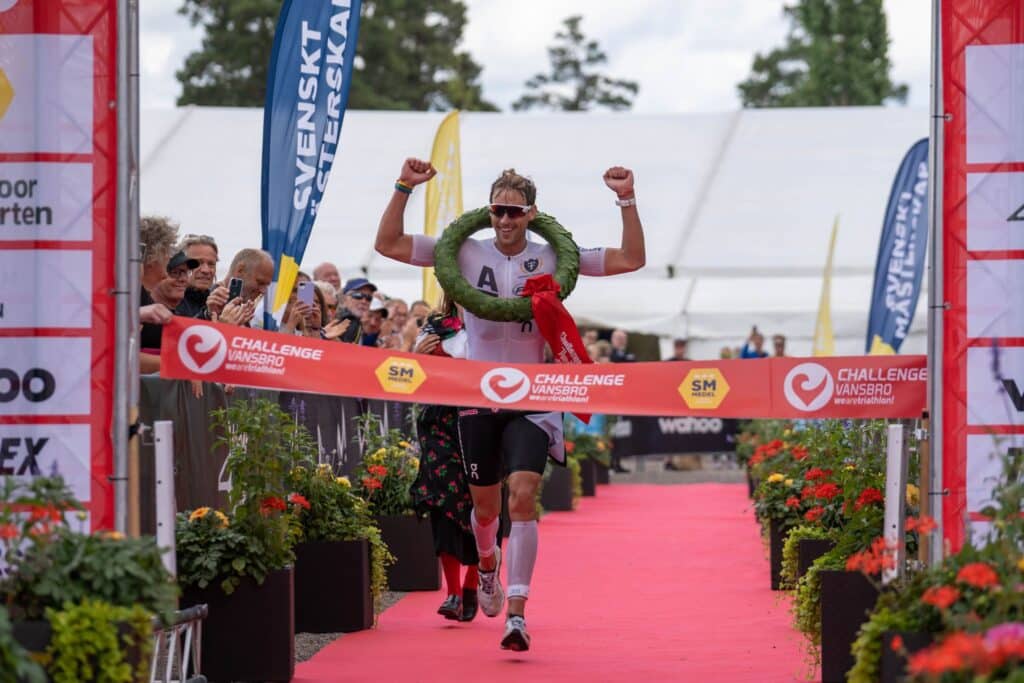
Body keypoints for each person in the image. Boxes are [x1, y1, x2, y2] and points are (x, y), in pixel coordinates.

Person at [375, 158, 645, 651]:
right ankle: (487, 565)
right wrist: (403, 186)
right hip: (478, 395)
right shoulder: (464, 250)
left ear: (531, 215)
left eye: (515, 212)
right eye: (498, 210)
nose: (505, 220)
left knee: (522, 496)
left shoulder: (553, 255)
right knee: (484, 509)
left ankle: (517, 613)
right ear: (488, 212)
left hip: (533, 395)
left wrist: (625, 198)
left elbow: (630, 259)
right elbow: (388, 245)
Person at [409, 298, 480, 622]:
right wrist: (416, 357)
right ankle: (453, 593)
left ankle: (473, 582)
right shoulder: (435, 327)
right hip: (439, 421)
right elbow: (408, 375)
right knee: (443, 499)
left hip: (483, 418)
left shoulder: (499, 328)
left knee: (482, 501)